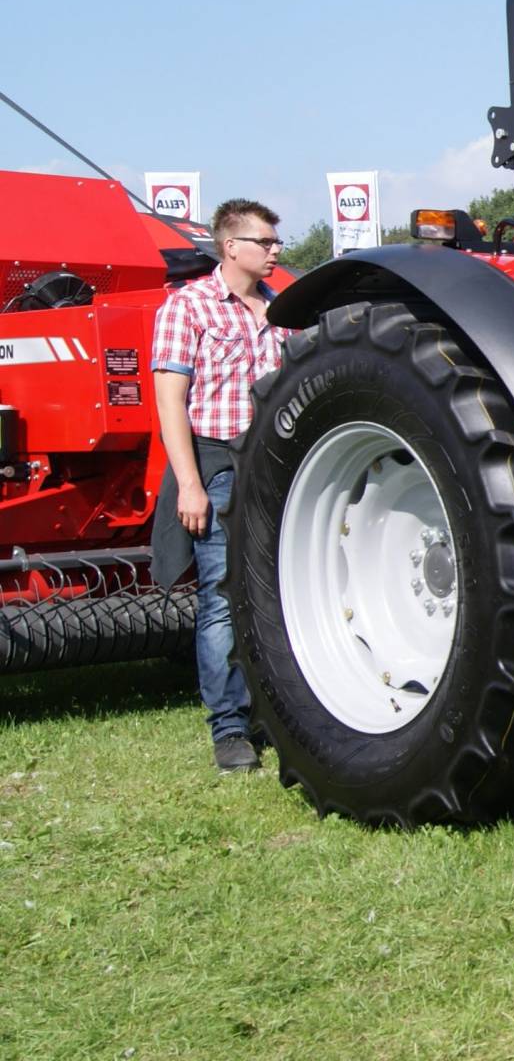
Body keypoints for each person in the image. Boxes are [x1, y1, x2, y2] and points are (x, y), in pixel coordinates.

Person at [150, 199, 291, 773]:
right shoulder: (189, 307)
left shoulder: (281, 309)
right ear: (231, 246)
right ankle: (229, 729)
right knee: (221, 600)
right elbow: (170, 403)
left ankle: (275, 715)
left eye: (276, 241)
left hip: (276, 466)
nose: (276, 250)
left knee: (275, 595)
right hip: (218, 464)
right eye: (266, 241)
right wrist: (190, 483)